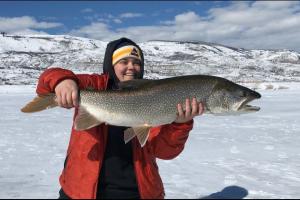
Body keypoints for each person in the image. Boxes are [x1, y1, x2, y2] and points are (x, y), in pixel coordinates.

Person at [36, 37, 204, 199]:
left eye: (136, 63)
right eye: (124, 62)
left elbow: (164, 151)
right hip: (80, 191)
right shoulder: (93, 84)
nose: (131, 67)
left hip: (138, 192)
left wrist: (180, 124)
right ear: (112, 64)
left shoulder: (155, 95)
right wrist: (63, 81)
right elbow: (47, 79)